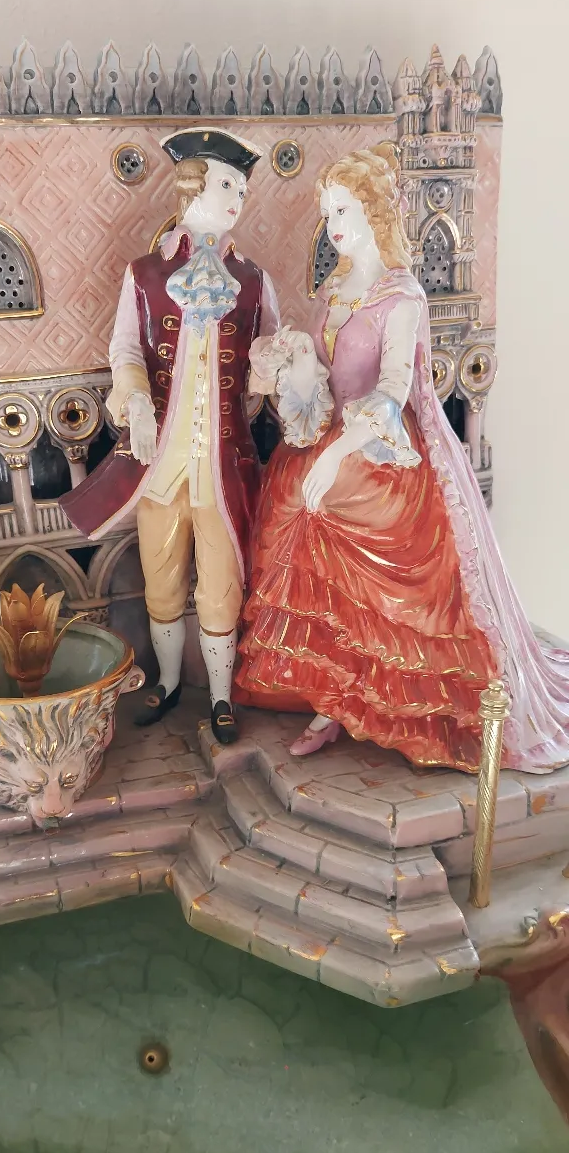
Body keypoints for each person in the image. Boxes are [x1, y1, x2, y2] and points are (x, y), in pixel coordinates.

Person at [234, 142, 569, 773]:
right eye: (328, 214)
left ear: (375, 213)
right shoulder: (334, 288)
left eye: (344, 211)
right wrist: (294, 374)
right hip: (329, 436)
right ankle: (334, 697)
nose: (333, 227)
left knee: (344, 511)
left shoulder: (403, 297)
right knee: (298, 513)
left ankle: (389, 702)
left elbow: (391, 392)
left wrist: (339, 452)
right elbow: (325, 375)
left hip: (382, 447)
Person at [60, 128, 279, 743]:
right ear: (192, 187)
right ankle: (169, 681)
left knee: (221, 586)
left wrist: (278, 369)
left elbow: (269, 354)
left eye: (242, 189)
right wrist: (134, 398)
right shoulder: (145, 274)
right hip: (159, 465)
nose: (237, 199)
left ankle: (220, 696)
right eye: (227, 185)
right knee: (160, 582)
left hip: (225, 465)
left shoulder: (254, 280)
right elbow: (125, 347)